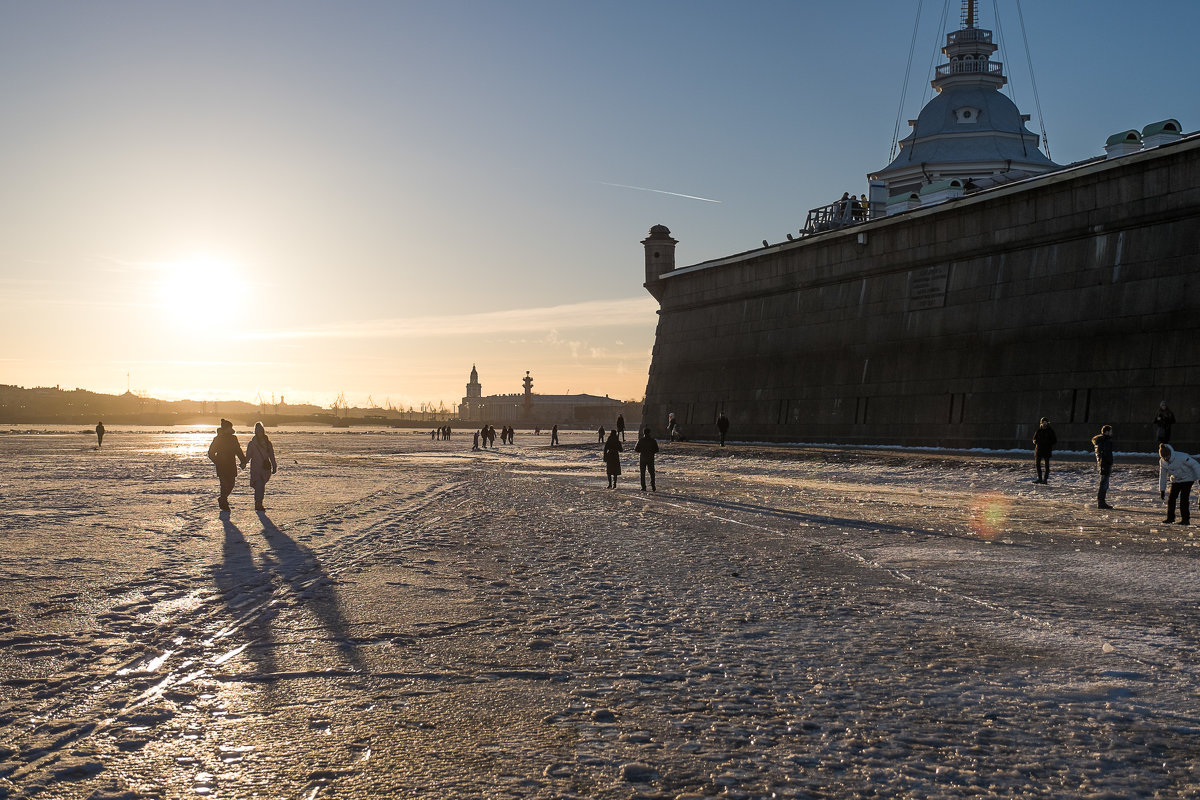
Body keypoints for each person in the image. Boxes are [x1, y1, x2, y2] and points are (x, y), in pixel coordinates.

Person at [207, 419, 247, 512]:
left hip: (231, 464)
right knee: (224, 484)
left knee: (231, 484)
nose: (231, 429)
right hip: (221, 465)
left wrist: (243, 461)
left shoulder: (233, 438)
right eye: (229, 427)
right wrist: (217, 461)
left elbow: (238, 450)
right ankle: (224, 502)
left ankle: (222, 499)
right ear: (225, 428)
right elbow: (211, 452)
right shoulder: (218, 439)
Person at [1158, 444, 1200, 525]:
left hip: (1188, 478)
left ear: (1170, 453)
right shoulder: (1162, 462)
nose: (1166, 458)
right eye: (1164, 457)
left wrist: (1199, 478)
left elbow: (1196, 465)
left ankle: (1185, 519)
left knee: (1184, 499)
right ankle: (1170, 518)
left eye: (1167, 456)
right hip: (1176, 480)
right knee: (1171, 499)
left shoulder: (1182, 457)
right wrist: (1162, 490)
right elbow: (1162, 475)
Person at [246, 422, 277, 512]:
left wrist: (274, 465)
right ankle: (258, 503)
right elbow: (248, 456)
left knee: (261, 486)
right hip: (255, 468)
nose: (259, 432)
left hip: (265, 468)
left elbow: (271, 455)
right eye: (258, 431)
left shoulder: (268, 443)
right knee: (259, 485)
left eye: (260, 431)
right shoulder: (252, 444)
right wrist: (244, 463)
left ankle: (259, 502)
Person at [1092, 424, 1115, 509]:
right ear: (1107, 432)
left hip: (1102, 464)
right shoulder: (1105, 441)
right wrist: (1109, 462)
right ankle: (1101, 502)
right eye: (1111, 431)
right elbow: (1106, 453)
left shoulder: (1101, 440)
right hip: (1105, 464)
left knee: (1104, 483)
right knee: (1104, 484)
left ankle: (1101, 502)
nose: (1112, 433)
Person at [1032, 417, 1057, 483]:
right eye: (1043, 422)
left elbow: (1054, 440)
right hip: (1039, 450)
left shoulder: (1050, 431)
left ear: (1047, 423)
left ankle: (1045, 479)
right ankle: (1040, 478)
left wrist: (1048, 443)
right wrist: (1035, 441)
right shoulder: (1038, 430)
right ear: (1041, 423)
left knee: (1046, 465)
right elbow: (1034, 439)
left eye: (1045, 422)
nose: (1044, 423)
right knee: (1037, 464)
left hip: (1047, 450)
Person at [635, 427, 659, 491]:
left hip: (643, 458)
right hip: (650, 458)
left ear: (644, 433)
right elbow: (657, 450)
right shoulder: (653, 441)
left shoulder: (641, 440)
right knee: (652, 472)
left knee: (642, 473)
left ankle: (643, 486)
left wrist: (642, 450)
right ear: (649, 433)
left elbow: (636, 449)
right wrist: (651, 452)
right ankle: (653, 485)